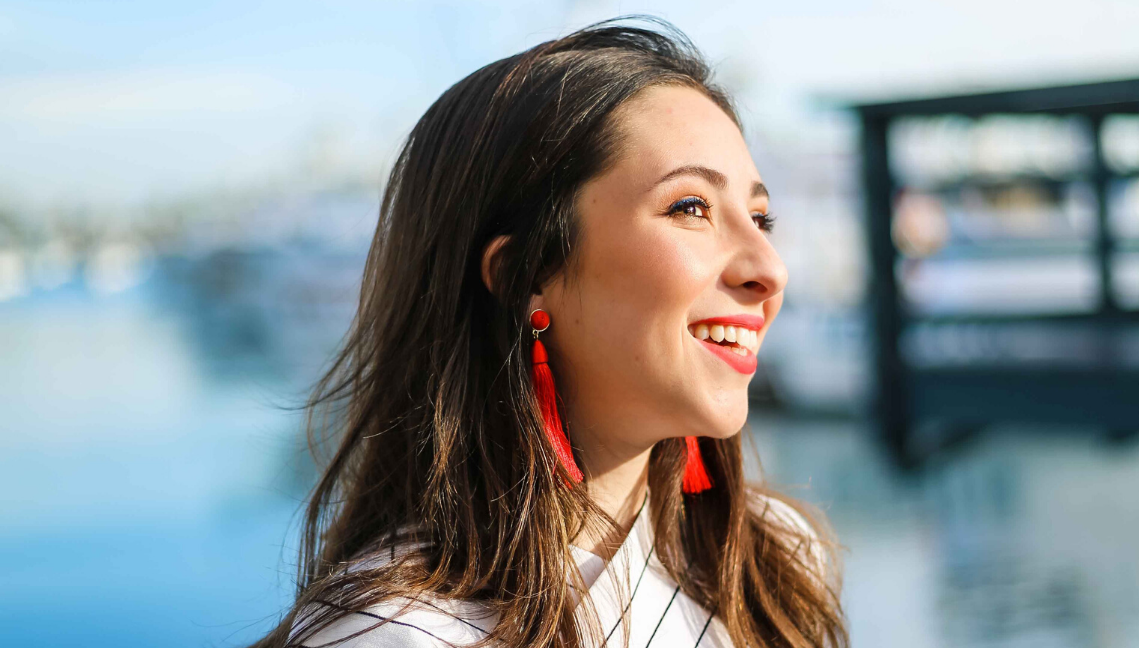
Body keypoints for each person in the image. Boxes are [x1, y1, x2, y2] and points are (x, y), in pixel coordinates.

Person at [252, 15, 847, 648]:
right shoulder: (400, 636)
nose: (769, 269)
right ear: (523, 273)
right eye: (691, 207)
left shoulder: (775, 559)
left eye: (761, 217)